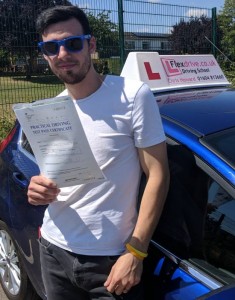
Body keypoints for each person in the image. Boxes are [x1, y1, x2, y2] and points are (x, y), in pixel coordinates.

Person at [28, 5, 170, 300]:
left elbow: (158, 174)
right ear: (44, 54)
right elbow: (55, 175)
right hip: (53, 249)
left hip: (110, 262)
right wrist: (38, 188)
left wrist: (136, 251)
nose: (63, 54)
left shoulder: (131, 96)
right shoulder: (51, 111)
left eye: (73, 43)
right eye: (51, 47)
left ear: (91, 45)